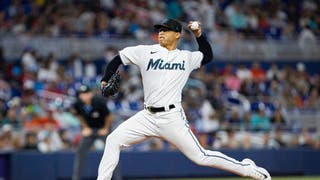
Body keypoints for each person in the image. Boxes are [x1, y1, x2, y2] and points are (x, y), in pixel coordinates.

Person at [97, 18, 271, 180]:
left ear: (178, 34)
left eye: (166, 30)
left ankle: (248, 169)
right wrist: (105, 79)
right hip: (147, 116)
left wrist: (198, 34)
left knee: (201, 157)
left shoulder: (186, 57)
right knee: (113, 140)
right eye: (160, 30)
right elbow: (117, 59)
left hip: (172, 117)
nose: (161, 33)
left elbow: (207, 55)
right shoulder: (145, 52)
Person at [71, 85, 121, 180]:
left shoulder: (99, 102)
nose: (83, 96)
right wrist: (85, 128)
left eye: (86, 93)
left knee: (112, 152)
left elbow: (109, 117)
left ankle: (118, 178)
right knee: (80, 152)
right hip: (90, 130)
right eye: (81, 94)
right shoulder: (78, 103)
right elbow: (78, 115)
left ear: (91, 94)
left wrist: (105, 129)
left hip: (103, 129)